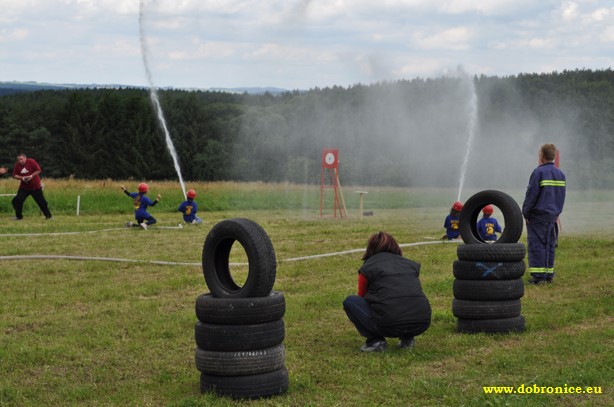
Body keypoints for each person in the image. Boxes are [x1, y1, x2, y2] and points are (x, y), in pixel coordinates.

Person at [343, 232, 431, 352]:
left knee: (351, 301)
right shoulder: (410, 265)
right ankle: (407, 339)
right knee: (408, 299)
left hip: (387, 324)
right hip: (421, 323)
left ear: (370, 249)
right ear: (395, 246)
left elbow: (361, 297)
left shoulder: (367, 268)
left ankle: (375, 342)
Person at [522, 144, 566, 285]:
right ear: (553, 156)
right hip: (552, 217)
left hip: (538, 216)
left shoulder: (538, 173)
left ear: (541, 155)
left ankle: (538, 277)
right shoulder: (561, 174)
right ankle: (548, 274)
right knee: (549, 245)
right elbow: (561, 197)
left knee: (537, 245)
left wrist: (526, 212)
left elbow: (531, 195)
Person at [11, 153, 53, 220]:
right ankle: (18, 217)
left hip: (35, 187)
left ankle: (49, 216)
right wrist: (22, 178)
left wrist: (31, 176)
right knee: (16, 201)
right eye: (18, 160)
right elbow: (15, 175)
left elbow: (39, 170)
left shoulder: (31, 161)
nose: (20, 161)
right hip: (24, 187)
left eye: (21, 159)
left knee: (42, 202)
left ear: (25, 158)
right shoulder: (17, 165)